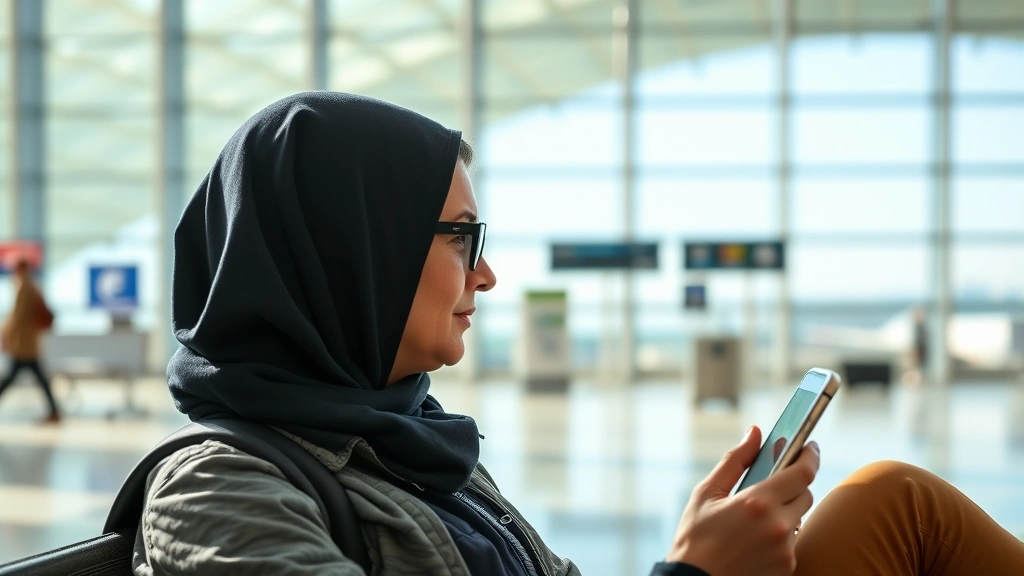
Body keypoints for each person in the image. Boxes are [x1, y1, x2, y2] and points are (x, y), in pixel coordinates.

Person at [133, 92, 1024, 575]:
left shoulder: (407, 440)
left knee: (890, 496)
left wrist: (700, 544)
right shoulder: (216, 491)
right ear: (349, 252)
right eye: (461, 239)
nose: (485, 275)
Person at [0, 257, 60, 423]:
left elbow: (18, 316)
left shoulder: (24, 287)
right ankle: (54, 411)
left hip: (23, 343)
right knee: (39, 379)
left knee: (9, 379)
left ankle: (54, 411)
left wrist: (5, 335)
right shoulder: (32, 285)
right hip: (29, 343)